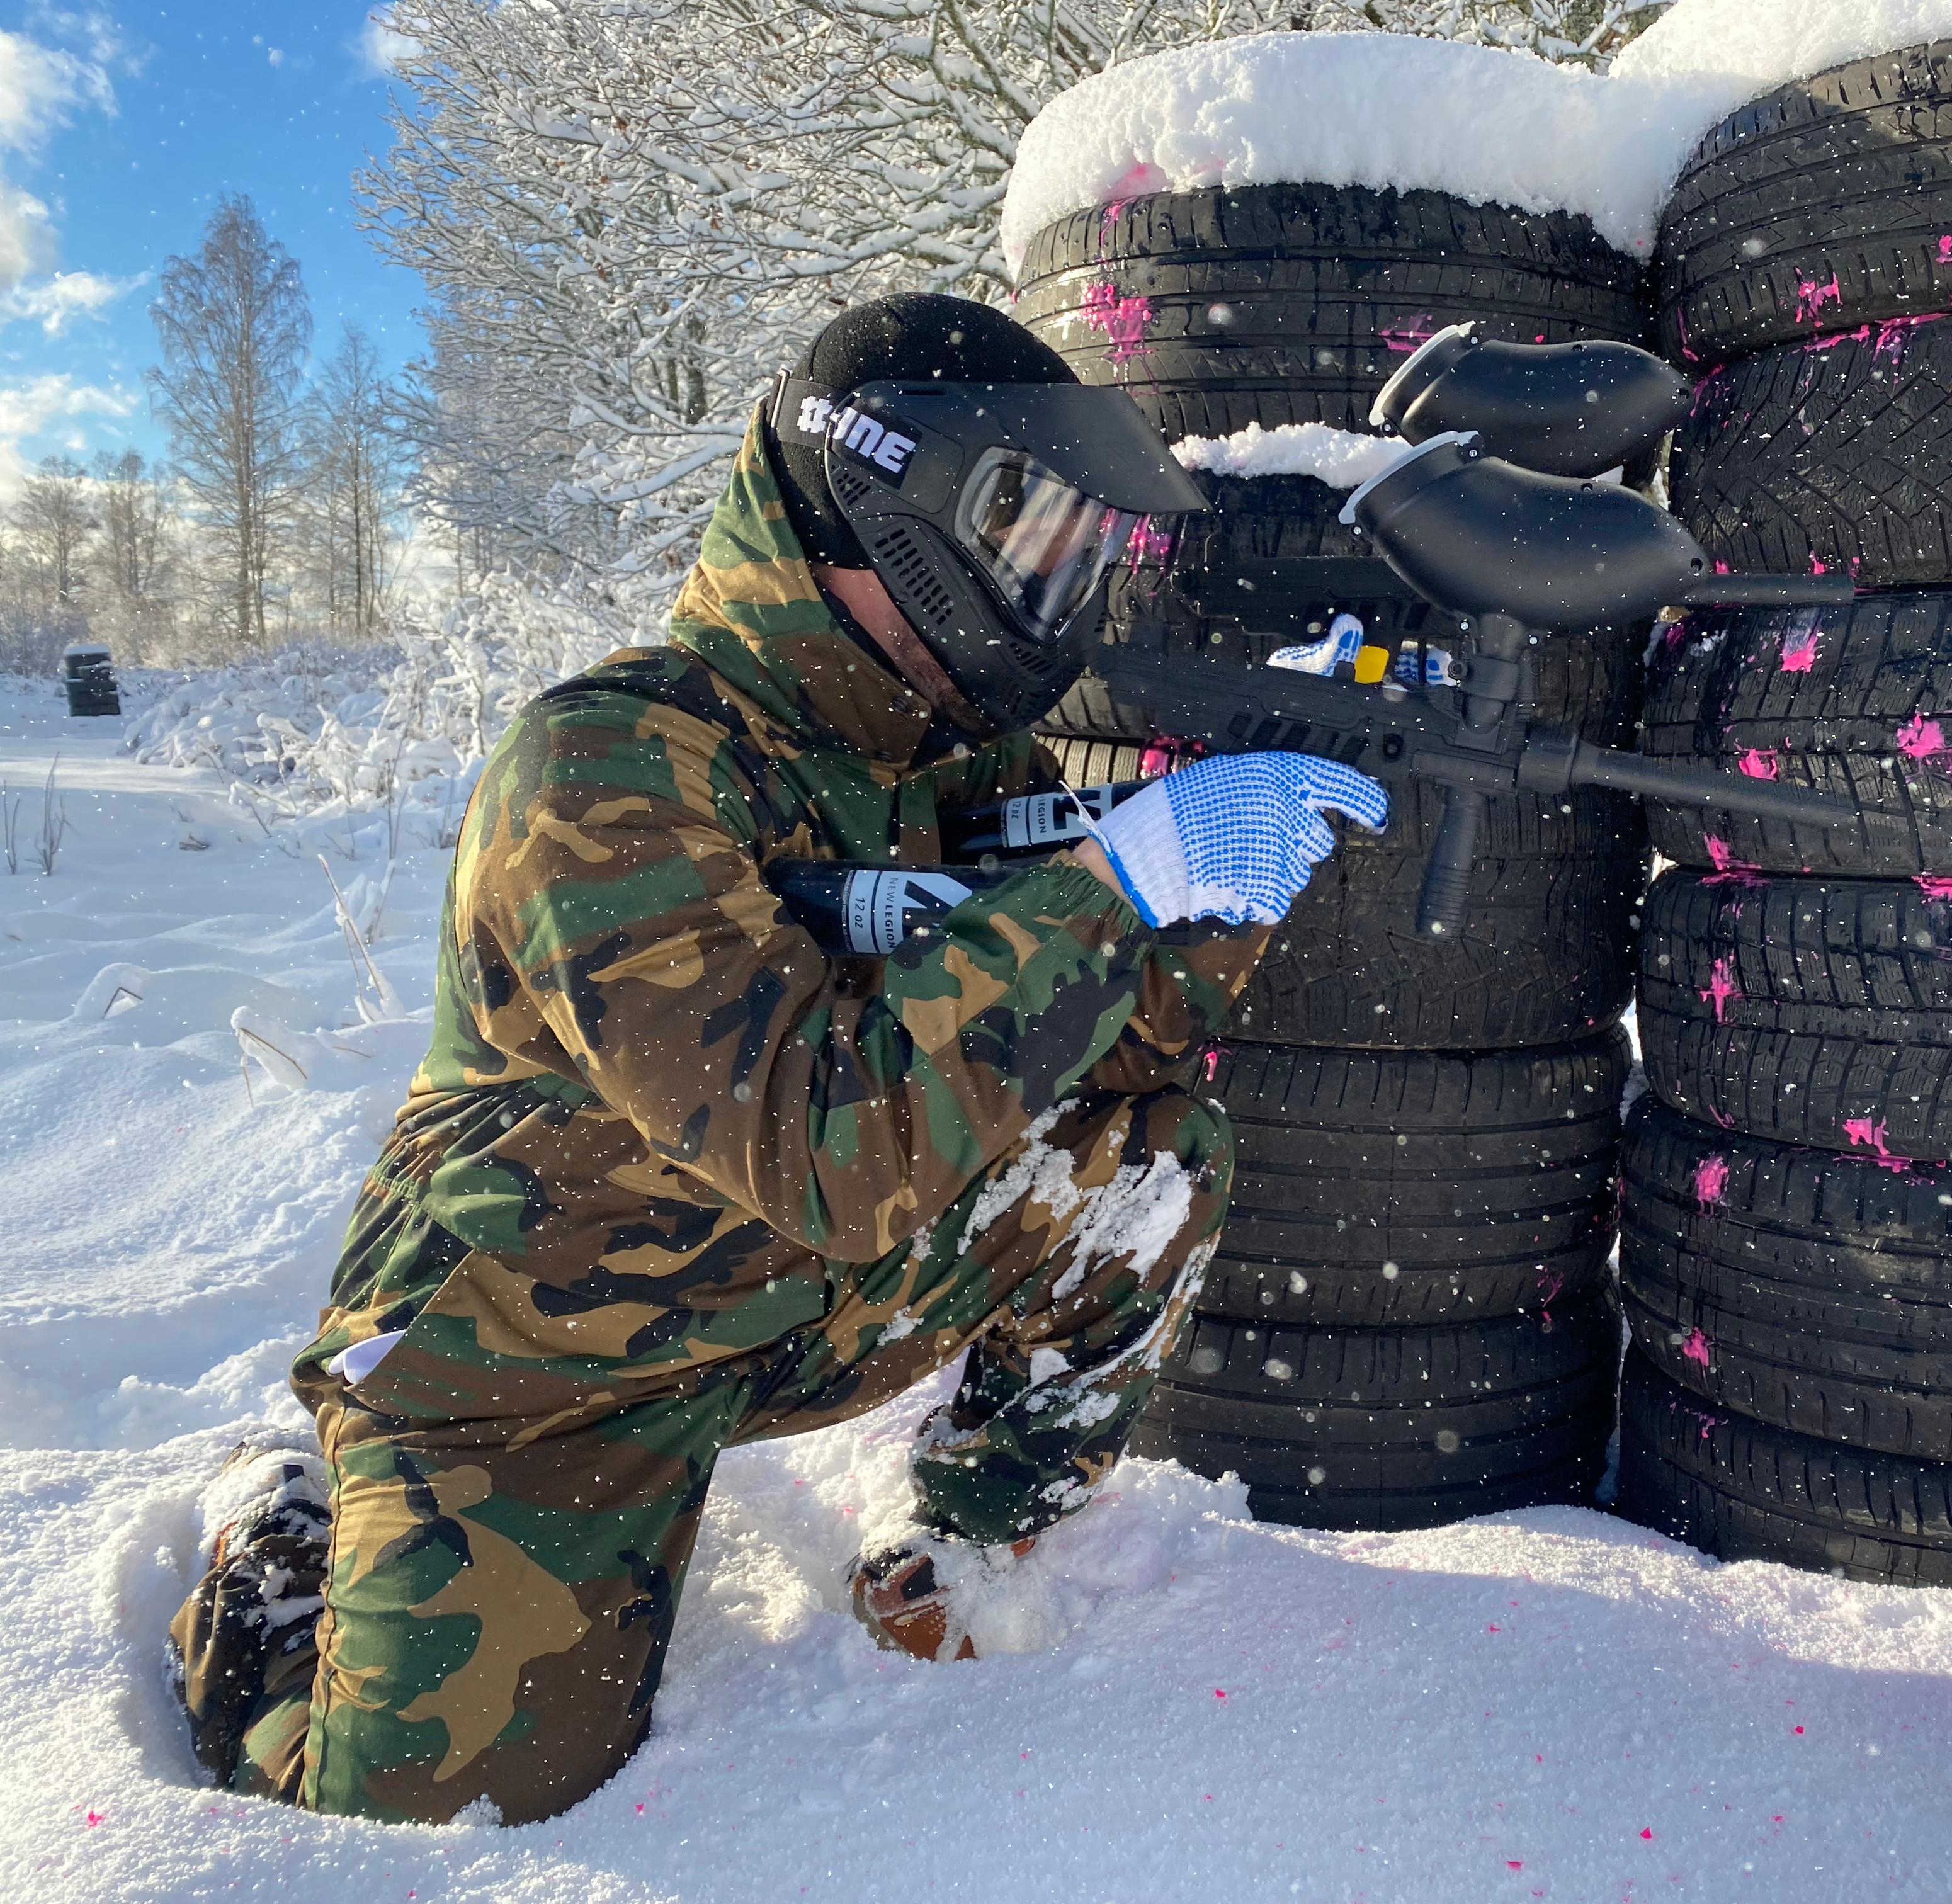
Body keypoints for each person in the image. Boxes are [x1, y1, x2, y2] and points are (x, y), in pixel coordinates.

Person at [167, 293, 1385, 1826]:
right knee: (422, 1818)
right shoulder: (607, 766)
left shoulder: (953, 761)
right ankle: (276, 1546)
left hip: (790, 1299)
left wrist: (1219, 887)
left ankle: (965, 1543)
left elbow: (1108, 1053)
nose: (1058, 584)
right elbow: (828, 1144)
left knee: (1147, 1161)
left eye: (1077, 546)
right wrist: (1113, 885)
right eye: (1029, 536)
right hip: (532, 1361)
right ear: (886, 512)